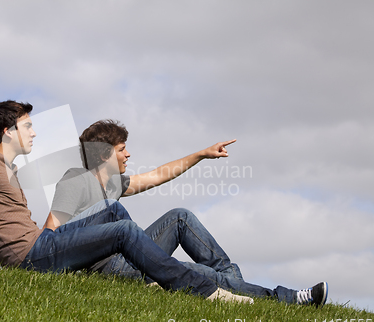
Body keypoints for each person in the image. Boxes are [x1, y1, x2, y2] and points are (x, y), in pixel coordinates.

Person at [0, 100, 254, 304]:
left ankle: (156, 275)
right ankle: (197, 290)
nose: (34, 133)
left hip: (39, 250)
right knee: (123, 226)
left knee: (126, 218)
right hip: (34, 253)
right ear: (7, 131)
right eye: (27, 126)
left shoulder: (8, 171)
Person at [44, 119, 329, 306]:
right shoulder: (75, 180)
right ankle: (289, 298)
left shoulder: (112, 184)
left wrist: (201, 154)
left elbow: (158, 175)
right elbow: (53, 236)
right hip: (110, 267)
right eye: (122, 149)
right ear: (105, 154)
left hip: (128, 254)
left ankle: (238, 286)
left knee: (180, 216)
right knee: (199, 272)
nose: (128, 154)